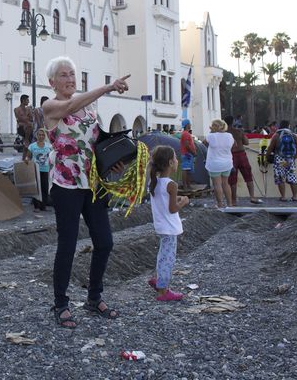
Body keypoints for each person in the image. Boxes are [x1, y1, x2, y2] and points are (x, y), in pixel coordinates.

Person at [43, 55, 130, 328]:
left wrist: (112, 160)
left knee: (105, 241)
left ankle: (94, 298)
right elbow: (69, 106)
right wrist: (107, 87)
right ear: (52, 81)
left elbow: (95, 142)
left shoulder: (90, 106)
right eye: (64, 75)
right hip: (66, 184)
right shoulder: (49, 105)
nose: (70, 79)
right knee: (67, 245)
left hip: (93, 183)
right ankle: (60, 303)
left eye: (72, 74)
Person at [146, 146, 188, 301]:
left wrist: (176, 199)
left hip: (161, 226)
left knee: (162, 254)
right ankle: (163, 290)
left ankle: (157, 278)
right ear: (171, 162)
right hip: (170, 227)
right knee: (168, 258)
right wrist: (183, 202)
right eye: (176, 158)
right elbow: (172, 209)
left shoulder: (154, 181)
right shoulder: (172, 184)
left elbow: (163, 202)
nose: (177, 161)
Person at [224, 115, 263, 205]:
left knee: (232, 179)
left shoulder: (224, 133)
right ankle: (252, 197)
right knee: (248, 176)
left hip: (230, 156)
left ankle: (233, 200)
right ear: (233, 122)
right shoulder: (238, 131)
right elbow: (246, 142)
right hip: (241, 154)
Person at [267, 120, 297, 201]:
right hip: (290, 160)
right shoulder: (292, 134)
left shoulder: (277, 135)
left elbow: (270, 148)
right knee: (292, 176)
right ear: (288, 126)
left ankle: (283, 197)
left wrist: (267, 156)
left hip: (279, 159)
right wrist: (296, 155)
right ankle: (295, 197)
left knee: (280, 177)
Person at [203, 119, 234, 208]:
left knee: (217, 184)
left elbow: (204, 143)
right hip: (227, 163)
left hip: (214, 164)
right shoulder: (229, 136)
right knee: (226, 183)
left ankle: (220, 204)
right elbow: (233, 145)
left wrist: (211, 132)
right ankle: (230, 204)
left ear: (215, 127)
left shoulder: (211, 136)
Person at [23, 128, 51, 212]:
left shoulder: (48, 146)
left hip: (45, 169)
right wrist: (27, 159)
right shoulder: (32, 146)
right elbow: (28, 156)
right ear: (37, 136)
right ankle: (36, 207)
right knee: (36, 188)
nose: (41, 136)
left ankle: (43, 206)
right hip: (35, 169)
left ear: (45, 136)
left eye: (43, 135)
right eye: (39, 135)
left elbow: (52, 156)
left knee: (44, 188)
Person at [179, 119, 196, 190]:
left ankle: (188, 185)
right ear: (187, 125)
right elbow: (186, 145)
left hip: (188, 154)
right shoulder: (186, 134)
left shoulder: (186, 133)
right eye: (189, 124)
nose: (190, 125)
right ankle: (186, 186)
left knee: (188, 170)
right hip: (187, 155)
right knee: (185, 170)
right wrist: (193, 152)